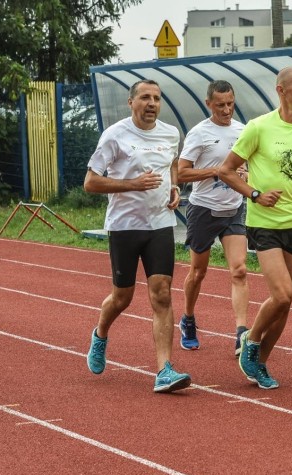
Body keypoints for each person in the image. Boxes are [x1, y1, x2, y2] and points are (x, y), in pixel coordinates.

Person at [218, 67, 292, 390]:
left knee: (286, 302)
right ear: (281, 90)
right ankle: (251, 341)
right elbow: (226, 171)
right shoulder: (258, 128)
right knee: (281, 294)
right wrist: (255, 194)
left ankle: (261, 362)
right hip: (264, 223)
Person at [83, 79, 191, 393]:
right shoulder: (114, 135)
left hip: (159, 224)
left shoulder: (171, 133)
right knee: (122, 297)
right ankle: (101, 333)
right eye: (145, 97)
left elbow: (172, 164)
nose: (152, 103)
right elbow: (91, 183)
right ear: (131, 102)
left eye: (156, 98)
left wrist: (174, 187)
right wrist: (132, 185)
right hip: (124, 226)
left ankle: (164, 370)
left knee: (161, 293)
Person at [177, 80, 249, 355]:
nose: (226, 109)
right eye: (220, 105)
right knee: (198, 272)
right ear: (209, 104)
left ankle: (241, 333)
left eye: (230, 103)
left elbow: (247, 169)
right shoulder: (199, 134)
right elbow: (181, 173)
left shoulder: (244, 131)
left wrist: (245, 177)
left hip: (233, 209)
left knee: (240, 270)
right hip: (203, 209)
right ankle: (188, 318)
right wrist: (216, 172)